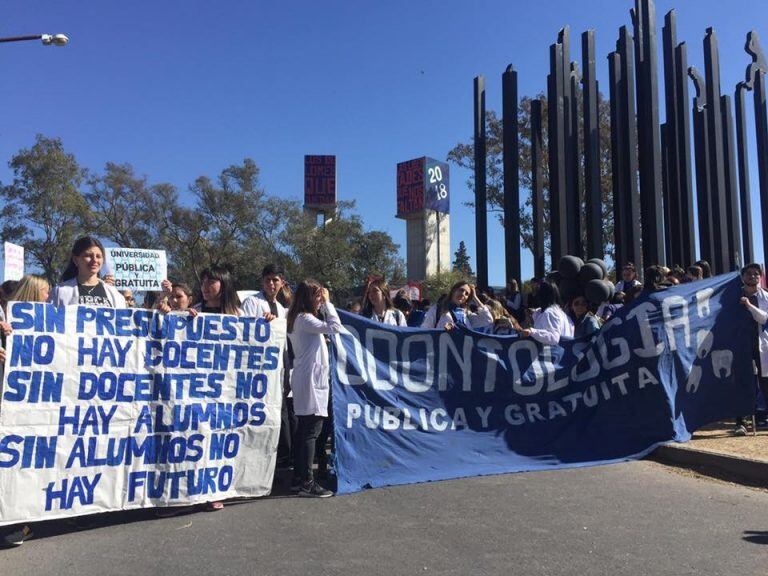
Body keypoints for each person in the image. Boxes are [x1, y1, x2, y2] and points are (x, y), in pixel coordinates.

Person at [0, 274, 50, 546]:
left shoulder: (53, 321)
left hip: (36, 402)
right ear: (33, 293)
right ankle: (11, 523)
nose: (48, 298)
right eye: (45, 293)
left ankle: (20, 519)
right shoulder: (6, 319)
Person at [286, 280, 341, 498]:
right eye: (317, 296)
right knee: (311, 431)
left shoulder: (298, 319)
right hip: (310, 381)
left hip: (305, 378)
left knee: (304, 431)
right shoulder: (305, 318)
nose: (320, 300)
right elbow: (336, 327)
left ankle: (300, 477)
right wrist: (329, 304)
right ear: (308, 298)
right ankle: (307, 482)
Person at [241, 264, 296, 470]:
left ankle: (282, 457)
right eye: (268, 280)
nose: (271, 284)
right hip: (259, 368)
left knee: (279, 410)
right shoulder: (252, 303)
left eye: (275, 280)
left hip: (280, 366)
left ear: (281, 283)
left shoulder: (281, 309)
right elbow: (244, 330)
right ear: (262, 282)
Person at [734, 263, 768, 436]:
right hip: (740, 346)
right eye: (749, 274)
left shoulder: (766, 297)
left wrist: (748, 305)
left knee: (765, 383)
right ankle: (741, 422)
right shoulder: (733, 295)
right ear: (743, 277)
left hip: (760, 345)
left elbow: (763, 319)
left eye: (756, 274)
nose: (753, 277)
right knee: (742, 382)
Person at [50, 236, 126, 308]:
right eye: (88, 255)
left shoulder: (116, 295)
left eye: (98, 256)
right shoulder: (59, 292)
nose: (95, 260)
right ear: (76, 260)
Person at [421, 281, 492, 330]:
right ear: (453, 290)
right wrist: (443, 330)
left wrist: (475, 297)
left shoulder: (466, 315)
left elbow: (488, 319)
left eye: (467, 294)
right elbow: (425, 331)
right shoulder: (437, 309)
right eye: (461, 290)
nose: (463, 294)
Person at [520, 281, 573, 345]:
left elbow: (554, 338)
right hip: (566, 353)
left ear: (542, 295)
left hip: (552, 353)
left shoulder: (549, 313)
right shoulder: (563, 314)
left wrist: (532, 331)